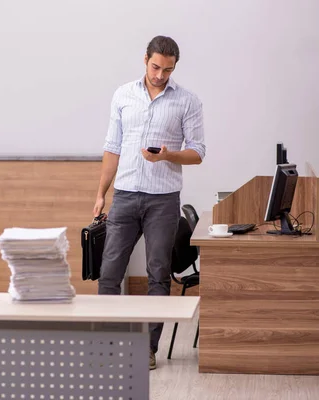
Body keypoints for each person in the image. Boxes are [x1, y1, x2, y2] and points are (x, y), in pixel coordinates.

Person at [93, 35, 205, 370]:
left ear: (174, 67)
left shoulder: (187, 101)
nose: (159, 75)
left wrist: (168, 155)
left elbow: (198, 152)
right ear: (145, 59)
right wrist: (101, 193)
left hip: (163, 200)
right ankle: (105, 345)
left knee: (158, 274)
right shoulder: (123, 95)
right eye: (155, 66)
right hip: (125, 196)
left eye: (167, 70)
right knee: (109, 273)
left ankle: (147, 348)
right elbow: (112, 148)